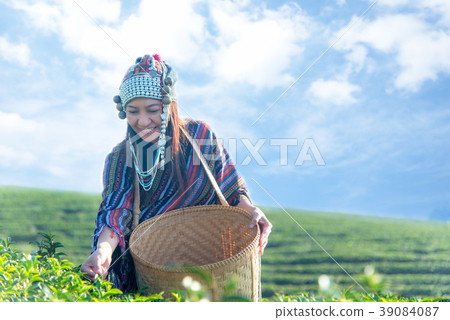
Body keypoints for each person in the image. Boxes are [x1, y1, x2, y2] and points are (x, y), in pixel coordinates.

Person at [80, 54, 272, 292]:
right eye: (133, 111)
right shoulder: (120, 158)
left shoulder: (199, 136)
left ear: (169, 105)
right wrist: (103, 251)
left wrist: (252, 211)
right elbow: (116, 211)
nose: (142, 120)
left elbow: (230, 190)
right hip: (155, 274)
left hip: (214, 260)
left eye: (152, 109)